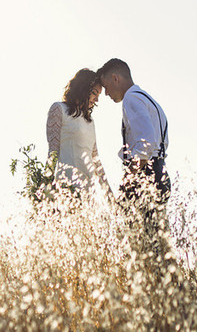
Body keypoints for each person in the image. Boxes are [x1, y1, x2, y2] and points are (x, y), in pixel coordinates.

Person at [97, 58, 170, 231]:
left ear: (116, 78)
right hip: (160, 173)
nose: (106, 93)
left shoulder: (131, 99)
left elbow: (145, 145)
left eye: (106, 87)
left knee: (142, 242)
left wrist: (127, 184)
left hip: (146, 177)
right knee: (158, 241)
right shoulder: (148, 99)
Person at [46, 69, 111, 197]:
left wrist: (109, 194)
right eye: (94, 93)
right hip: (67, 187)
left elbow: (95, 160)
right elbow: (53, 151)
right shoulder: (59, 109)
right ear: (83, 89)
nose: (96, 100)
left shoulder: (90, 121)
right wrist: (46, 185)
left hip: (88, 191)